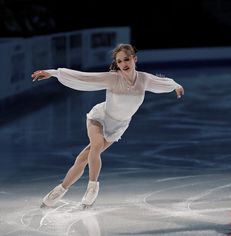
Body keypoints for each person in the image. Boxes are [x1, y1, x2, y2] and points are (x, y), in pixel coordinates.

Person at [31, 43, 184, 209]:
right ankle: (92, 187)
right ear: (116, 64)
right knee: (96, 145)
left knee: (83, 159)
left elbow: (161, 83)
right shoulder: (113, 78)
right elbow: (84, 77)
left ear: (134, 59)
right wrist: (53, 73)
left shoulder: (144, 79)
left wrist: (176, 85)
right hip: (100, 117)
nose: (124, 64)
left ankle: (59, 190)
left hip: (118, 126)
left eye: (127, 59)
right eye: (119, 61)